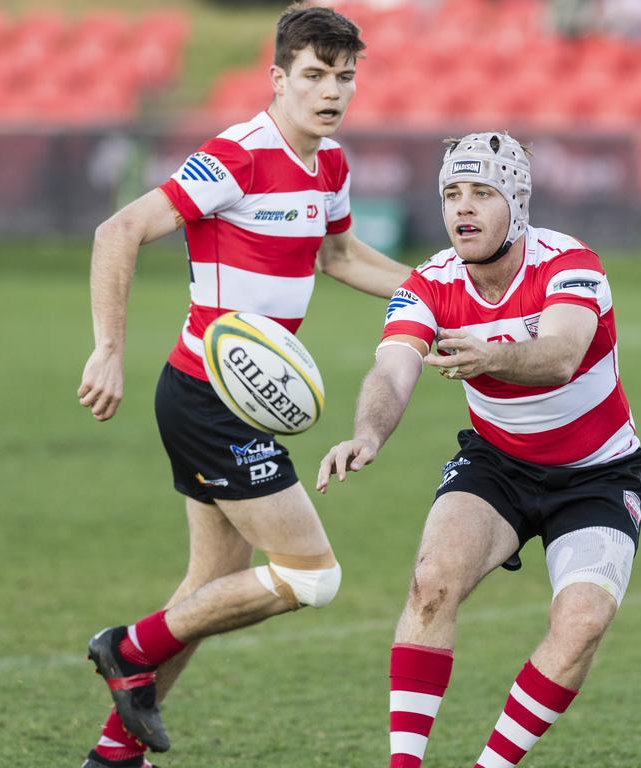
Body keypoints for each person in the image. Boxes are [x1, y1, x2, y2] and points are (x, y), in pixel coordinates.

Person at [75, 5, 410, 767]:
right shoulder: (236, 156)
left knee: (209, 585)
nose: (332, 91)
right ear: (278, 78)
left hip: (244, 401)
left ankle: (112, 757)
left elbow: (340, 257)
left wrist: (429, 297)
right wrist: (107, 350)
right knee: (312, 577)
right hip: (204, 398)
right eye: (316, 76)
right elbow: (116, 231)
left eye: (345, 77)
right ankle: (127, 645)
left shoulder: (330, 165)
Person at [317, 132, 641, 768]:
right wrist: (367, 433)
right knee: (431, 584)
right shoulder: (429, 284)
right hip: (497, 463)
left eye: (482, 193)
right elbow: (391, 371)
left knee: (580, 624)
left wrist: (491, 354)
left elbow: (561, 356)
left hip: (597, 475)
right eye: (451, 194)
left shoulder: (570, 264)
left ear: (518, 203)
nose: (462, 209)